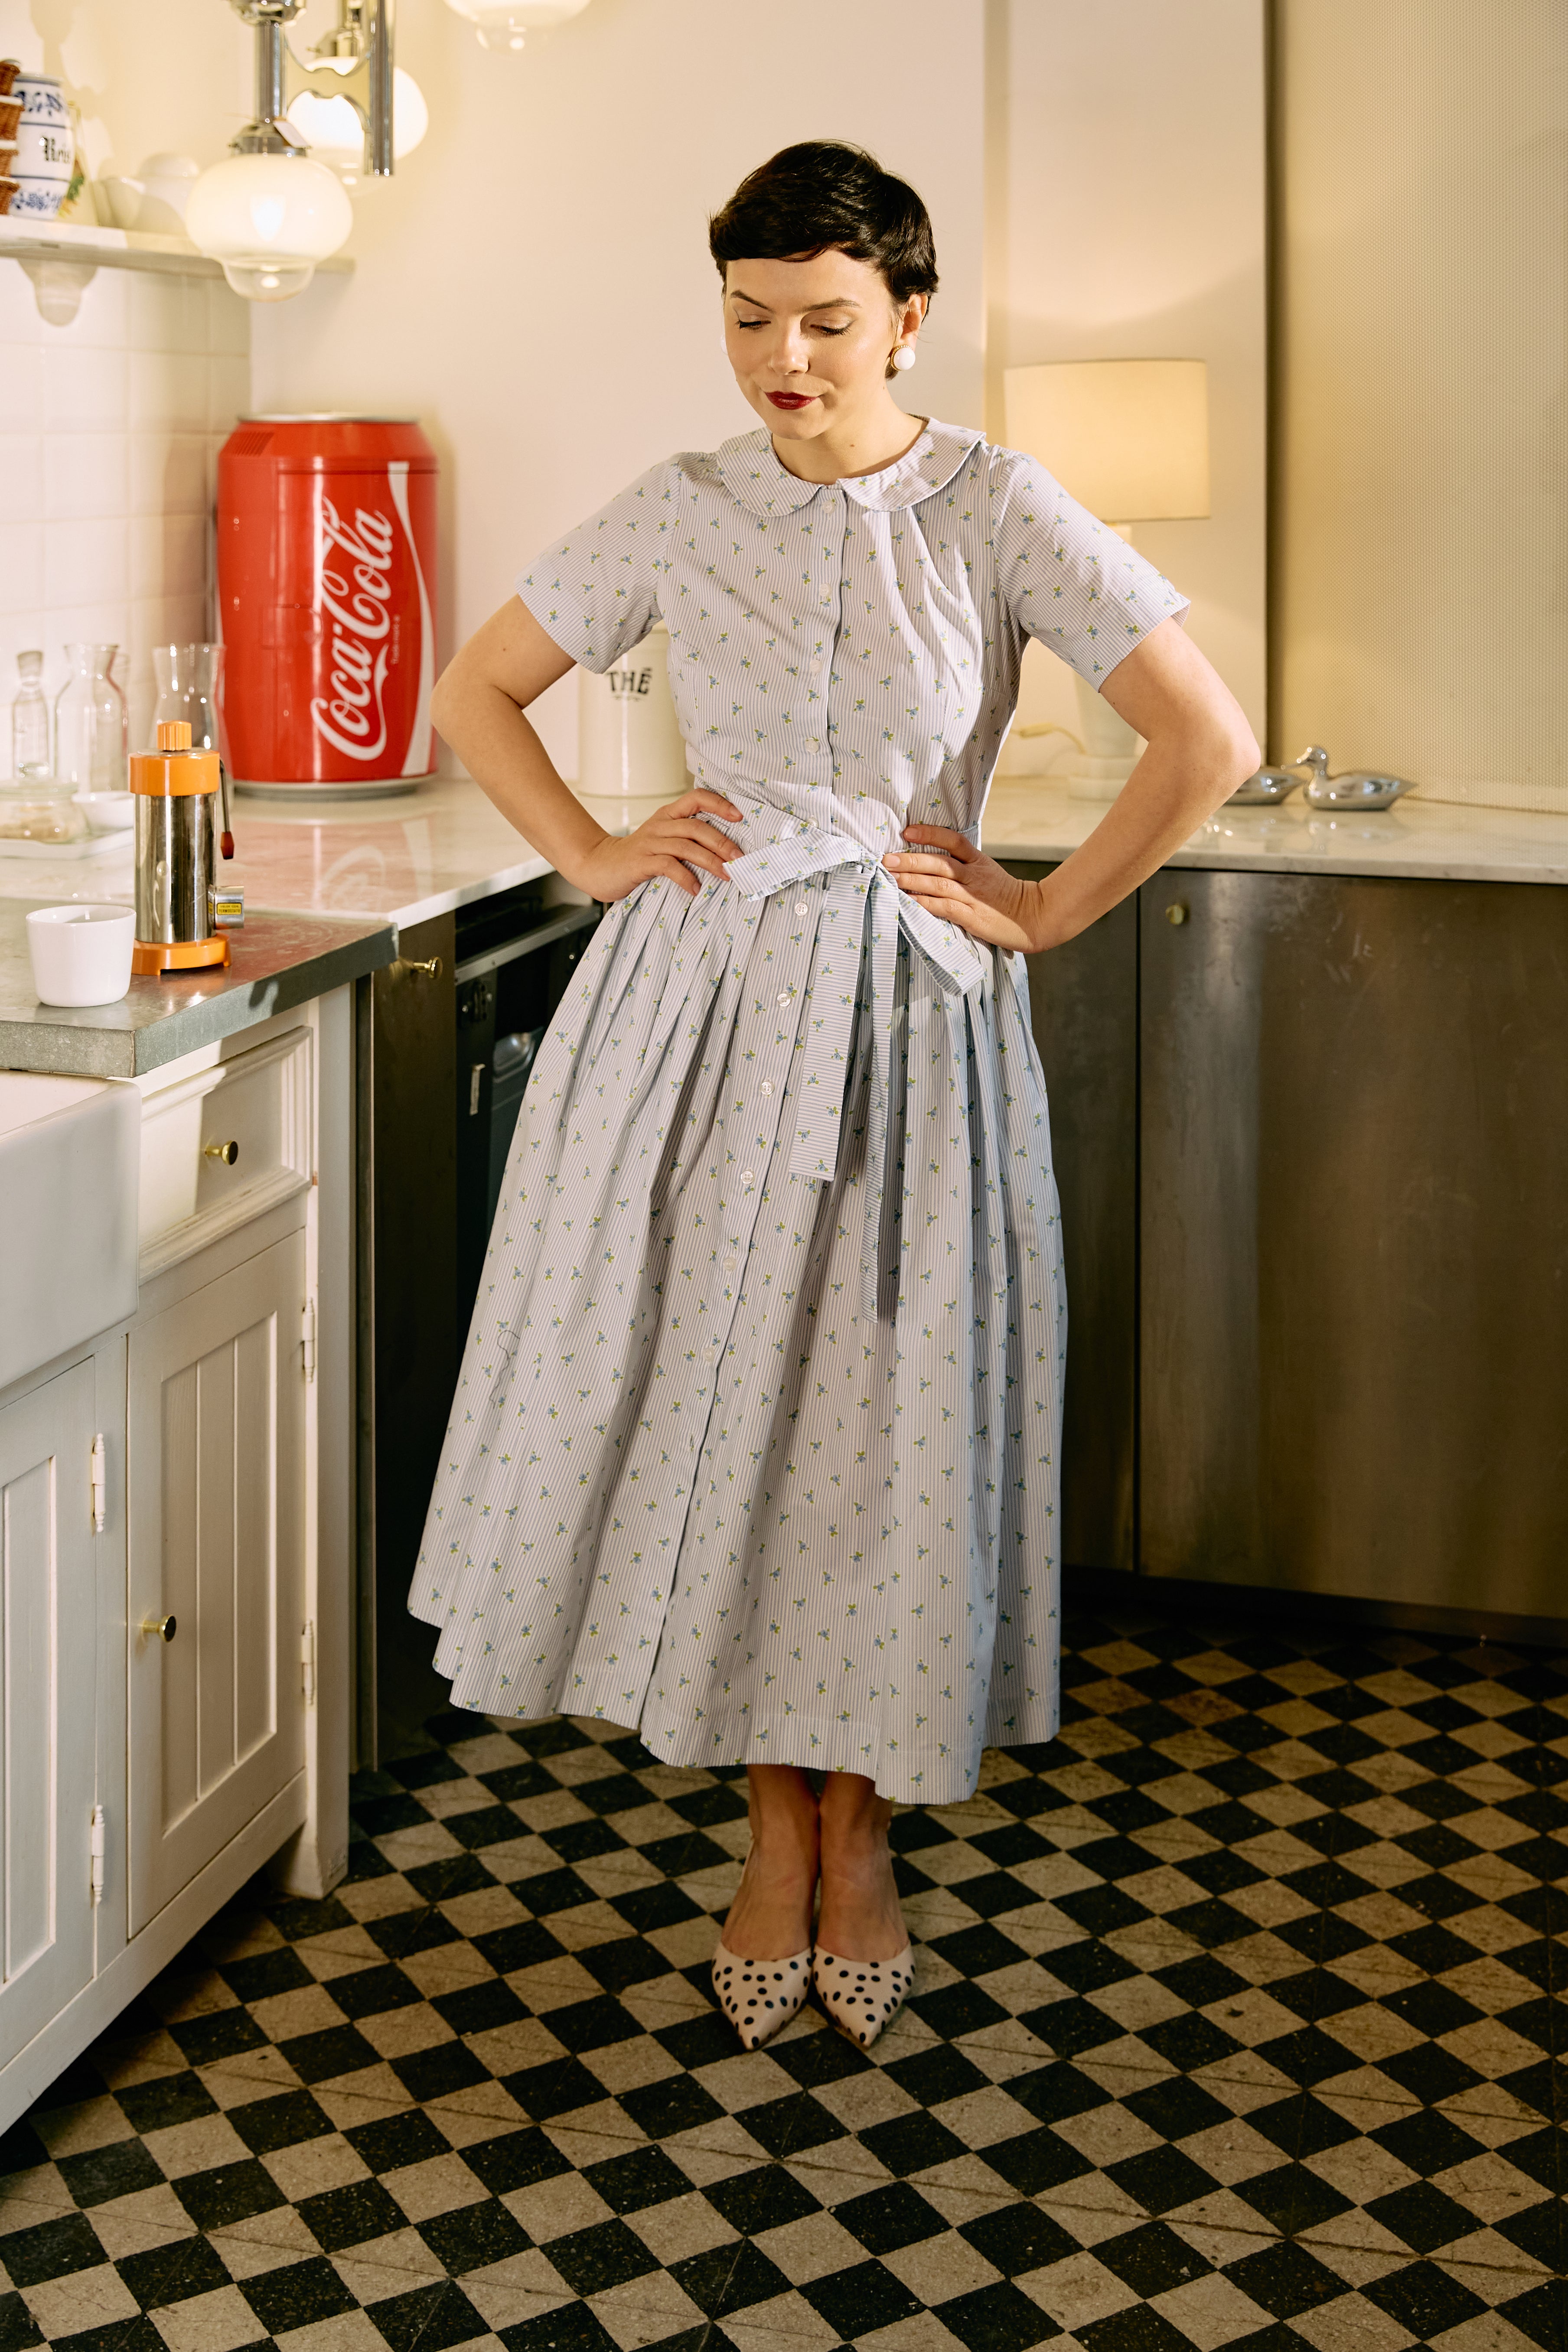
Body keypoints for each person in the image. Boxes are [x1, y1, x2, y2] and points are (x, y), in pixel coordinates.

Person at [410, 141, 1260, 2054]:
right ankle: (764, 1821)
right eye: (745, 320)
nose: (781, 359)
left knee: (874, 1420)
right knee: (724, 1404)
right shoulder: (679, 501)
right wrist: (597, 851)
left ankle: (850, 1825)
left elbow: (1202, 735)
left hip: (901, 1017)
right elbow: (476, 693)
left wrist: (1038, 908)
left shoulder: (994, 505)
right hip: (691, 1019)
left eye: (820, 323)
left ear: (907, 319)